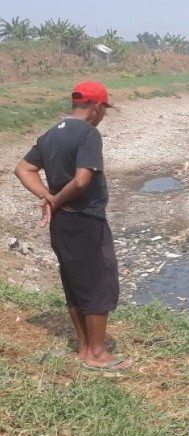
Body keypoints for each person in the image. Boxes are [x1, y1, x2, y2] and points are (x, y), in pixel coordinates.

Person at [14, 81, 132, 371]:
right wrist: (55, 201)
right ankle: (97, 354)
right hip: (84, 219)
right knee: (97, 283)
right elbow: (82, 180)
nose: (103, 115)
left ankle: (84, 348)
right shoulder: (88, 134)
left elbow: (23, 168)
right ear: (96, 107)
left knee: (75, 282)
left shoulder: (51, 134)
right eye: (104, 109)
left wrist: (48, 196)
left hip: (63, 224)